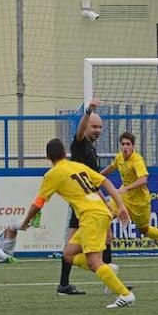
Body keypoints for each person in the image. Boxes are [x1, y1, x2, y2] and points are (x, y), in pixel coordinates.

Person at [19, 138, 134, 308]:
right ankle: (108, 270)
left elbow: (38, 203)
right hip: (100, 212)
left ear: (47, 157)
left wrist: (25, 222)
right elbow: (106, 182)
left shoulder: (52, 174)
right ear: (65, 153)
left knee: (94, 262)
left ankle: (125, 294)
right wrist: (121, 206)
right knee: (68, 253)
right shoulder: (78, 166)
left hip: (91, 216)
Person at [56, 98, 112, 296]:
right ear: (86, 126)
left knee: (104, 238)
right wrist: (88, 111)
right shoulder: (80, 144)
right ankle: (106, 278)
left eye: (100, 127)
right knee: (101, 238)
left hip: (89, 202)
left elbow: (94, 181)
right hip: (83, 204)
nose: (97, 130)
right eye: (94, 126)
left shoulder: (91, 148)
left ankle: (64, 284)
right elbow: (79, 132)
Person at [100, 131, 158, 254]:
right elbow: (112, 167)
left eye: (128, 144)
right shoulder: (119, 157)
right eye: (123, 144)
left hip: (139, 202)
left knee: (144, 230)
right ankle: (103, 252)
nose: (125, 147)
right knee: (106, 214)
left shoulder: (137, 160)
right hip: (123, 197)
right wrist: (97, 176)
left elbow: (143, 179)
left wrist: (126, 188)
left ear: (133, 146)